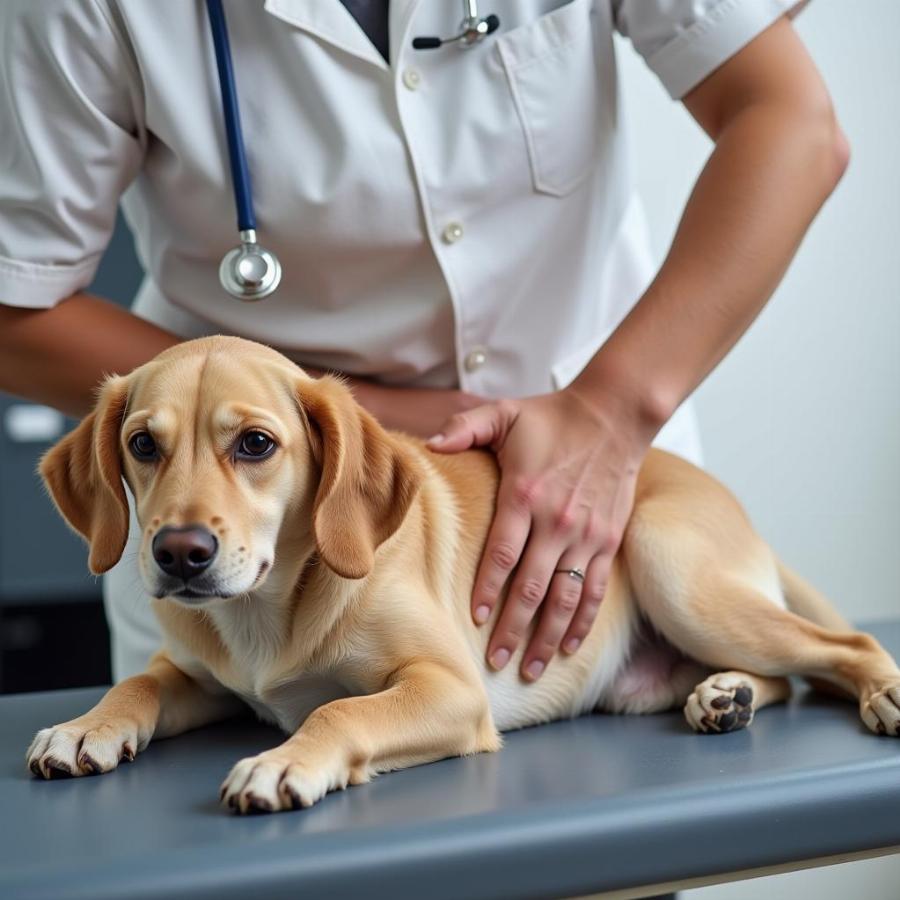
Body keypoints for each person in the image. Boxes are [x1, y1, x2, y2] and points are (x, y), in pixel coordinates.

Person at [0, 1, 847, 684]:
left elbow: (792, 124)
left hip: (592, 486)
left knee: (610, 852)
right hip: (252, 537)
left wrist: (611, 410)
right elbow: (18, 306)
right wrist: (368, 421)